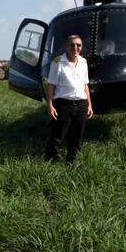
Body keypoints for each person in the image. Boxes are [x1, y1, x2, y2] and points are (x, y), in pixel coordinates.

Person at [44, 34, 93, 162]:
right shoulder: (58, 62)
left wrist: (89, 105)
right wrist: (50, 105)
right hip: (64, 104)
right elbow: (51, 85)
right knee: (58, 136)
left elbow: (85, 85)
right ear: (67, 46)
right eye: (72, 45)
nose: (75, 48)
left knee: (77, 137)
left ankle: (72, 161)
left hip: (81, 104)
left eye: (79, 45)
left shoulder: (83, 62)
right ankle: (51, 161)